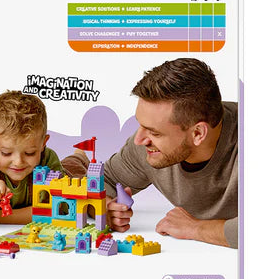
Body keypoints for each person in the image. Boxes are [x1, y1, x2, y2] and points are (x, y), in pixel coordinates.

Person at [62, 58, 238, 248]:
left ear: (198, 133)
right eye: (141, 125)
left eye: (155, 133)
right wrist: (104, 208)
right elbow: (104, 182)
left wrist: (195, 229)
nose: (139, 140)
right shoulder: (145, 146)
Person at [0, 91, 64, 225]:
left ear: (43, 144)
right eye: (6, 153)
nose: (18, 162)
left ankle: (79, 155)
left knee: (75, 165)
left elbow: (58, 210)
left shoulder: (48, 161)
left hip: (70, 169)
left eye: (29, 153)